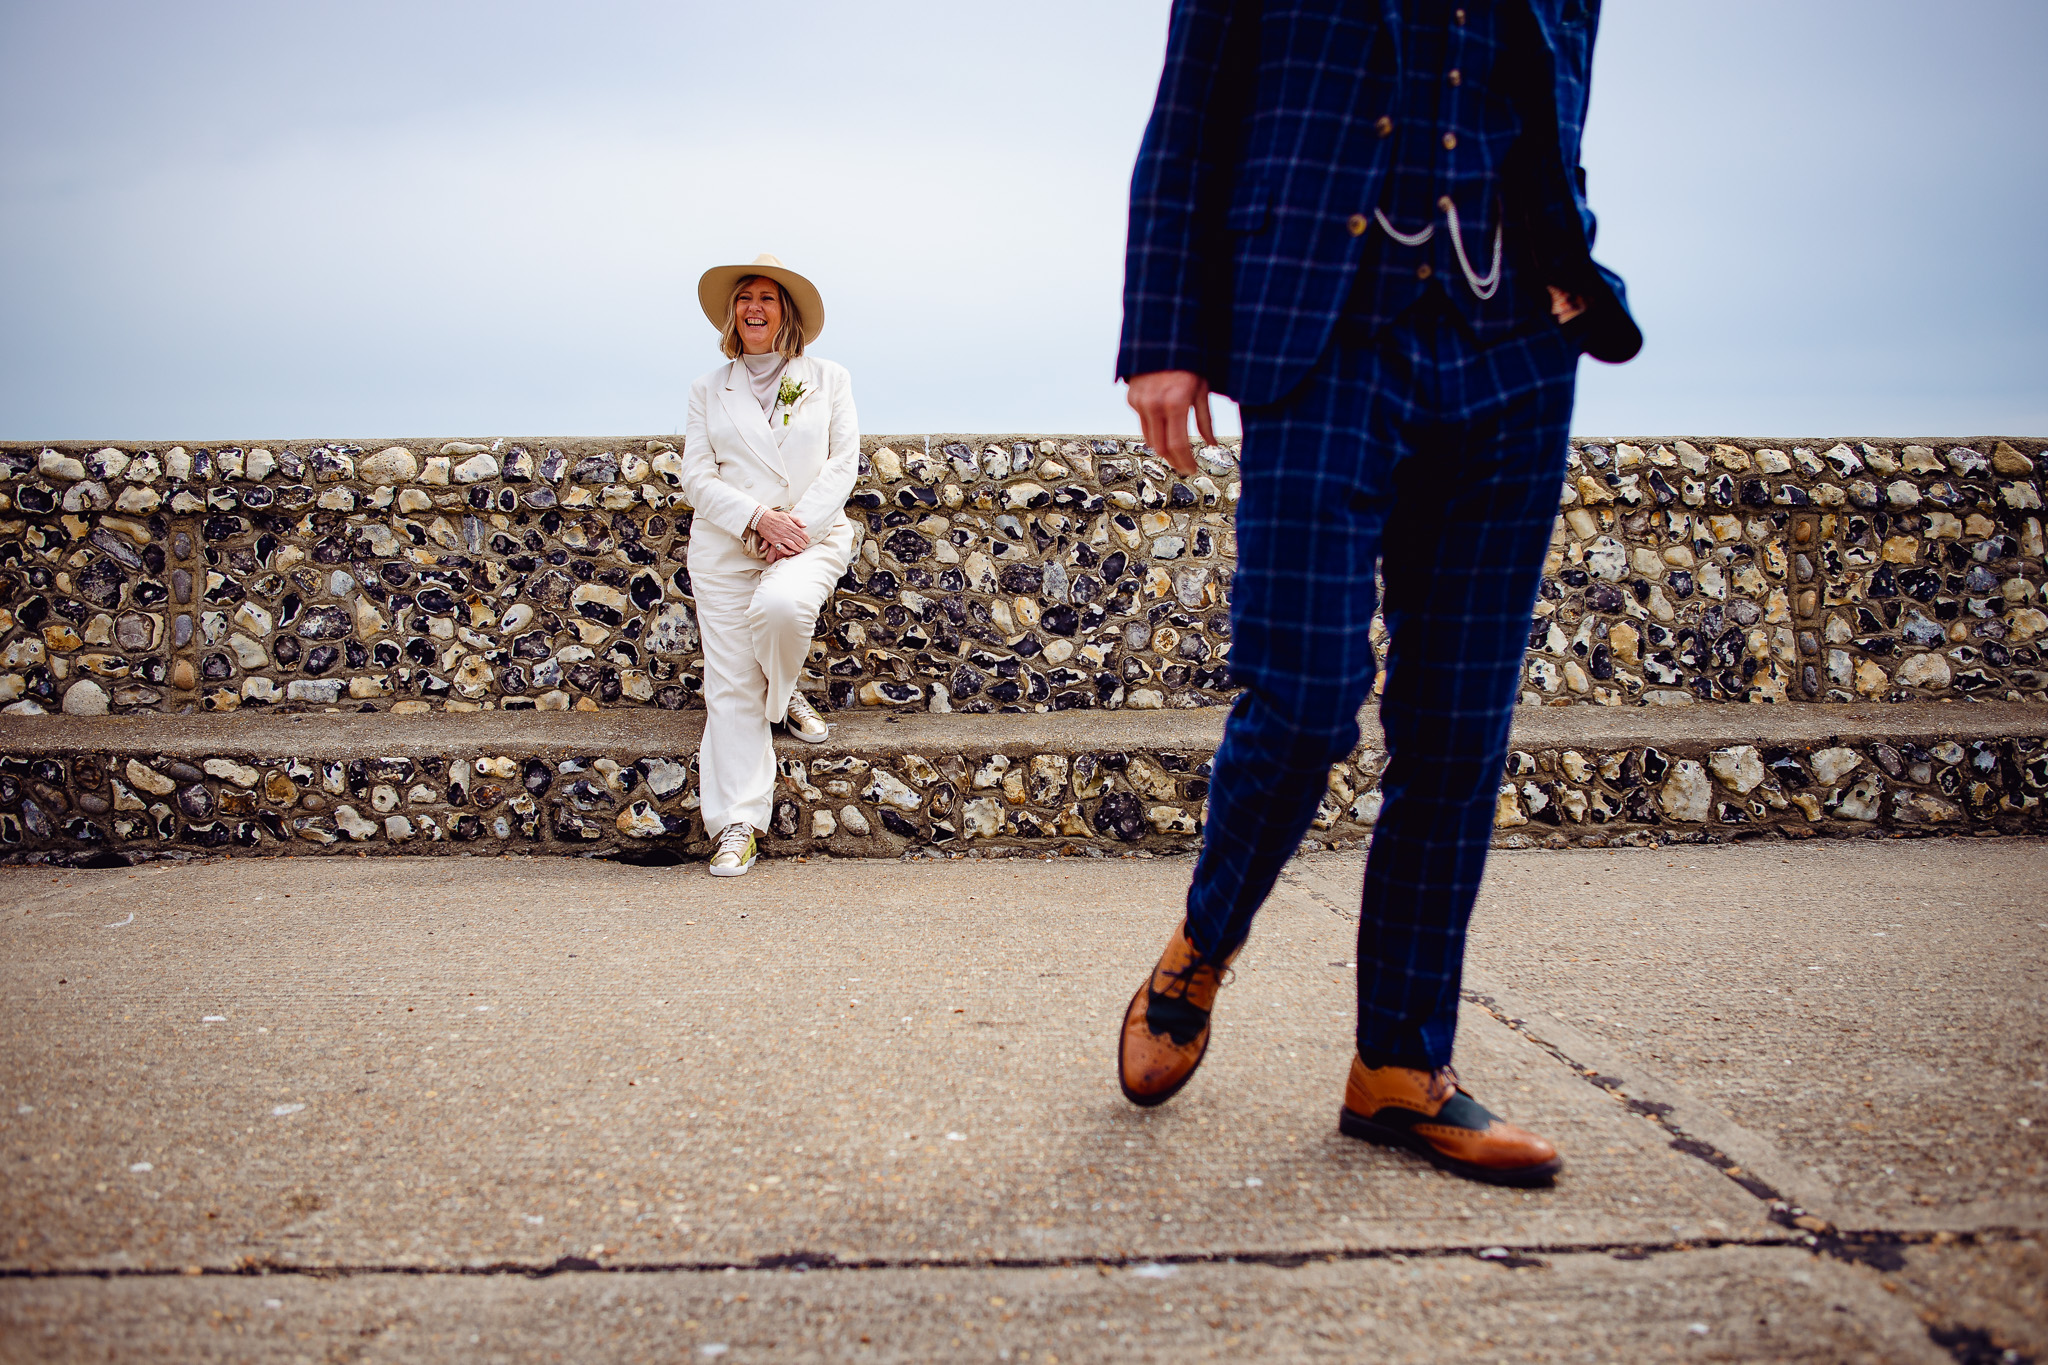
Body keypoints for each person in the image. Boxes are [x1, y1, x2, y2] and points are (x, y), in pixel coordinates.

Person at [1114, 0, 1641, 1186]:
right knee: (1302, 696)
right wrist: (1162, 329)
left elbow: (1547, 110)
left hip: (1513, 348)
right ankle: (1201, 946)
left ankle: (1400, 1070)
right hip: (1320, 329)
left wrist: (1565, 262)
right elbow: (1186, 118)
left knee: (1456, 733)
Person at [680, 253, 859, 877]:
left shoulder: (829, 378)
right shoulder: (708, 389)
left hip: (809, 535)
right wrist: (758, 520)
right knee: (730, 687)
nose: (754, 307)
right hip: (728, 546)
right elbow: (696, 477)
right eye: (745, 297)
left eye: (768, 298)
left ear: (787, 313)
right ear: (733, 312)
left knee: (783, 609)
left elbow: (844, 463)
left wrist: (794, 527)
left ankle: (781, 698)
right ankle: (737, 823)